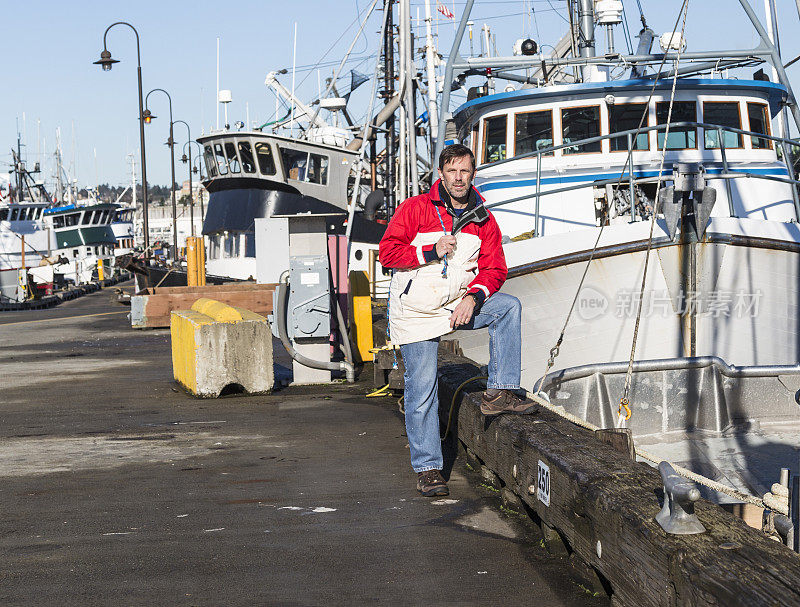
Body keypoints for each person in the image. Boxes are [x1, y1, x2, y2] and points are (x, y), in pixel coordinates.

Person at [378, 144, 534, 498]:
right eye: (452, 171)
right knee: (422, 390)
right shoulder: (417, 209)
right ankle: (429, 468)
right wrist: (429, 251)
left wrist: (473, 296)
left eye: (465, 171)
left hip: (455, 306)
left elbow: (495, 269)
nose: (459, 178)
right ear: (441, 175)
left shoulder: (483, 218)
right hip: (416, 313)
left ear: (473, 174)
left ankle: (501, 391)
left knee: (508, 307)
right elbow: (387, 252)